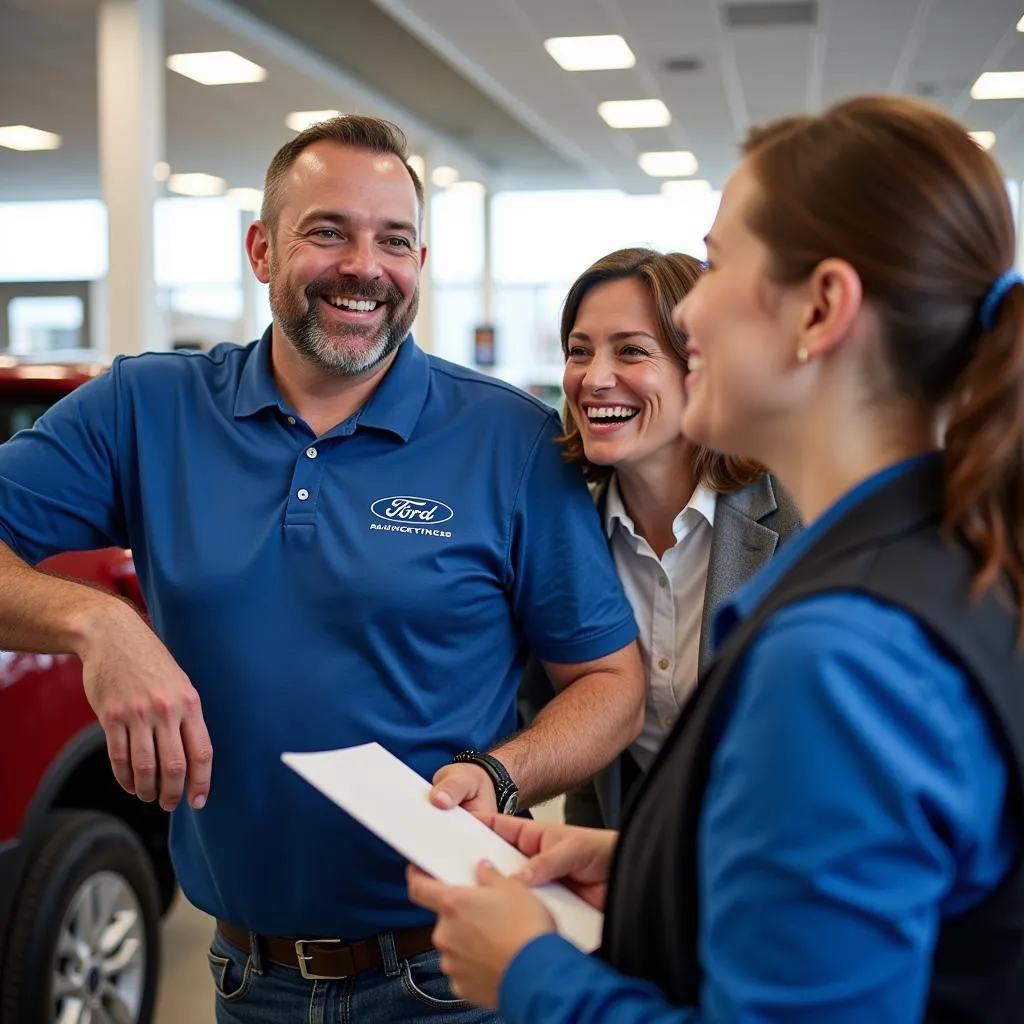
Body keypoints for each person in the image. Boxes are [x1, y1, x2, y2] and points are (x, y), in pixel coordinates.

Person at [0, 115, 646, 1023]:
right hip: (245, 975)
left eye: (394, 240)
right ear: (262, 249)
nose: (364, 267)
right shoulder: (148, 409)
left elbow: (612, 683)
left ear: (421, 260)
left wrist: (501, 774)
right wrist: (95, 623)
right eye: (329, 231)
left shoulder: (508, 440)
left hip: (455, 975)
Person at [408, 95, 1024, 1022]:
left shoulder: (841, 658)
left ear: (821, 308)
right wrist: (653, 866)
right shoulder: (950, 556)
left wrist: (530, 973)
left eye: (721, 261)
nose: (690, 308)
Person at [518, 247, 800, 829]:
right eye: (579, 351)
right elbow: (597, 766)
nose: (594, 378)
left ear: (700, 368)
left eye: (632, 351)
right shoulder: (568, 532)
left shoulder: (798, 518)